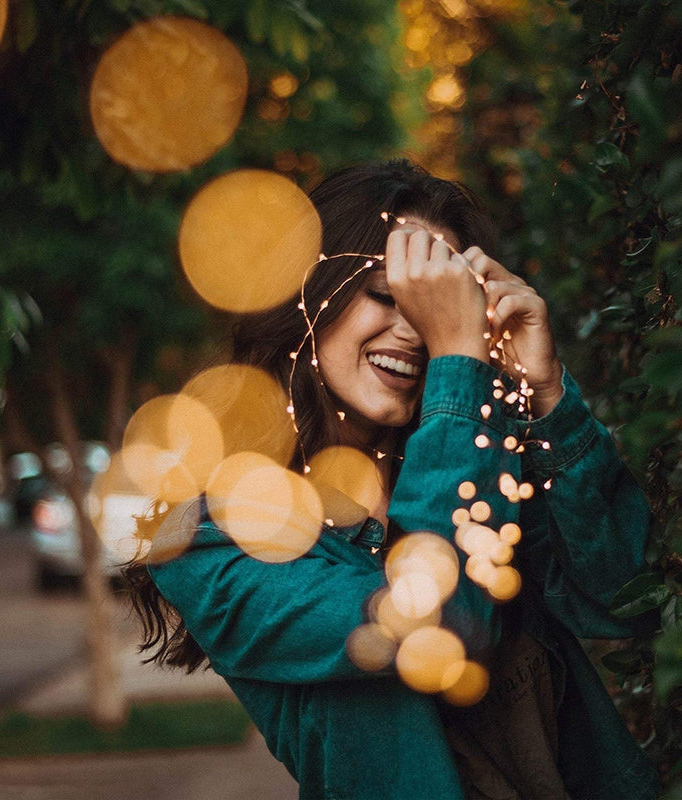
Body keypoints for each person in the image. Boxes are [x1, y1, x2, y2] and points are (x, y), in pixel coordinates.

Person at [125, 160, 659, 799]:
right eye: (387, 293)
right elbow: (437, 624)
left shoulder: (481, 456)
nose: (416, 331)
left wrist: (544, 394)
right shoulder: (216, 534)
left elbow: (625, 598)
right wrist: (461, 360)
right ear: (308, 295)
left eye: (440, 308)